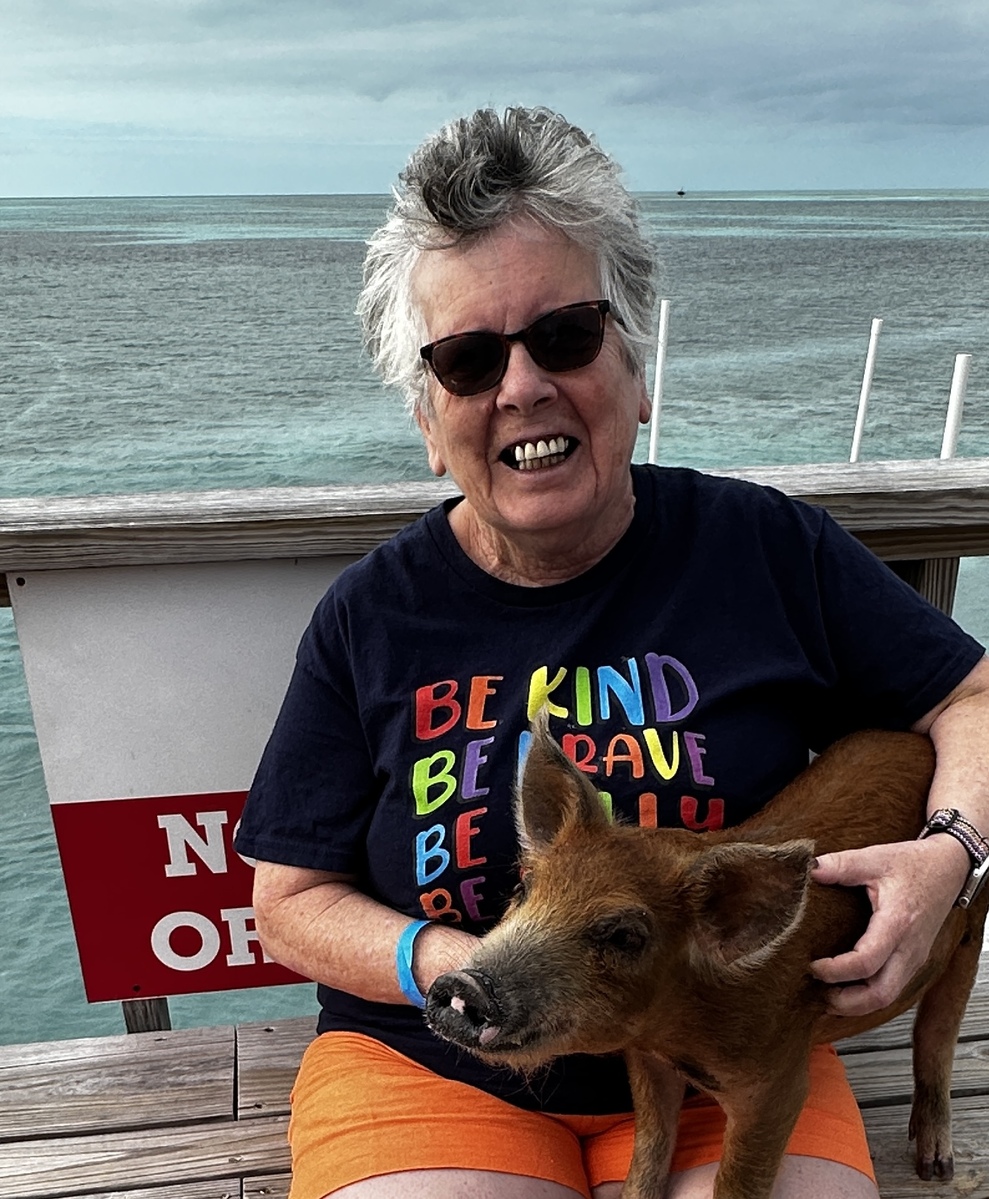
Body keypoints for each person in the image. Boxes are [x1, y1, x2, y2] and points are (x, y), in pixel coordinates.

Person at [234, 106, 989, 1199]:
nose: (521, 387)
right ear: (427, 419)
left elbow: (971, 695)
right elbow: (288, 901)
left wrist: (951, 853)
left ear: (636, 369)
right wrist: (460, 968)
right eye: (467, 359)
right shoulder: (371, 613)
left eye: (565, 336)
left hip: (730, 1050)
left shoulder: (763, 548)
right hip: (433, 1065)